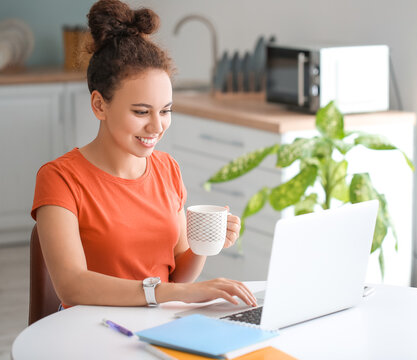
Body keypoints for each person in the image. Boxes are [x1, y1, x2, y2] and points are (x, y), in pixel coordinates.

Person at [31, 0, 257, 309]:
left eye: (166, 111)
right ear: (99, 105)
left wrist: (203, 244)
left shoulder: (167, 169)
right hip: (94, 330)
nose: (156, 126)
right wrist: (171, 294)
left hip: (159, 323)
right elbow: (72, 286)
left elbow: (179, 277)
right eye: (141, 112)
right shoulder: (60, 178)